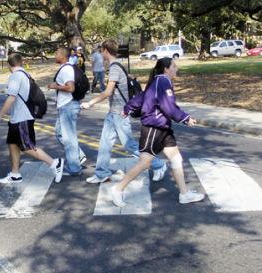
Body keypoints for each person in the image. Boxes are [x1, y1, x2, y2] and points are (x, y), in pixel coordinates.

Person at [109, 57, 205, 207]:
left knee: (176, 158)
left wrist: (128, 108)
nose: (176, 69)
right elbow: (169, 106)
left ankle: (184, 194)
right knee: (145, 163)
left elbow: (143, 96)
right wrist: (185, 118)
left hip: (163, 128)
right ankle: (118, 189)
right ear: (166, 69)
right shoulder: (163, 81)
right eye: (174, 66)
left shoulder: (157, 81)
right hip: (154, 127)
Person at [81, 39, 167, 183]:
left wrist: (89, 103)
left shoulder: (115, 67)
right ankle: (102, 173)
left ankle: (158, 164)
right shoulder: (117, 65)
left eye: (101, 50)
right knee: (104, 144)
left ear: (106, 51)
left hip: (120, 113)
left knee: (129, 145)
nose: (101, 53)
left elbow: (108, 92)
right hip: (113, 113)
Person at [0, 53, 64, 184]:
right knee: (12, 144)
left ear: (9, 64)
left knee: (27, 147)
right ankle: (15, 174)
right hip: (17, 117)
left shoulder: (16, 76)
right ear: (21, 62)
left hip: (22, 117)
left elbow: (11, 98)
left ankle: (54, 163)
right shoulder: (25, 74)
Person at [47, 47, 86, 176]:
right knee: (59, 133)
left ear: (63, 56)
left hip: (68, 106)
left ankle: (74, 167)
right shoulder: (66, 68)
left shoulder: (67, 69)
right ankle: (78, 155)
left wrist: (55, 86)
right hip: (65, 106)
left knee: (69, 138)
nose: (55, 54)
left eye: (56, 53)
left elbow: (70, 88)